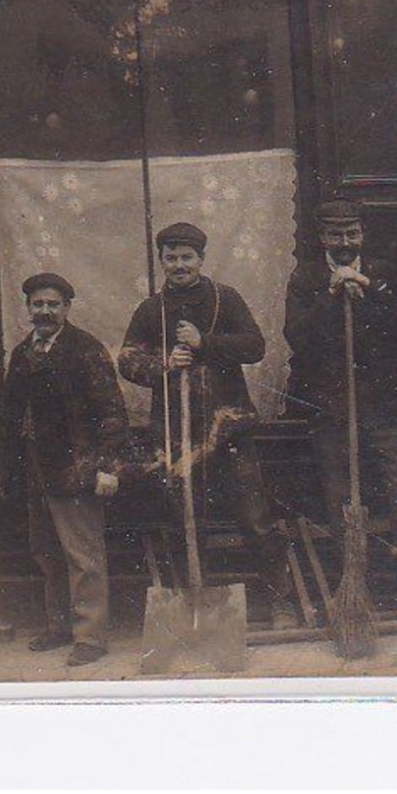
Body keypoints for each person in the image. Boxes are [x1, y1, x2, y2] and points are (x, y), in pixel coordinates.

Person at [119, 222, 296, 629]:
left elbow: (254, 346)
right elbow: (127, 360)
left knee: (255, 519)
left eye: (186, 257)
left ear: (201, 259)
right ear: (162, 261)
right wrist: (163, 364)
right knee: (183, 521)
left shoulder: (225, 299)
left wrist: (205, 343)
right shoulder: (151, 310)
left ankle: (279, 602)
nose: (179, 265)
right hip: (176, 436)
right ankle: (194, 611)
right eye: (171, 257)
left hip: (228, 428)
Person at [283, 198, 397, 614]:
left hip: (388, 406)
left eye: (351, 233)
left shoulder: (385, 273)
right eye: (336, 234)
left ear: (362, 234)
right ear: (322, 237)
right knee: (340, 496)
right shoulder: (305, 279)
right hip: (332, 407)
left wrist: (370, 293)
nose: (344, 241)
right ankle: (355, 583)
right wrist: (330, 295)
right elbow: (297, 338)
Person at [0, 273, 129, 667]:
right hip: (36, 466)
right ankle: (58, 627)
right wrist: (8, 469)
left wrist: (108, 467)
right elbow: (10, 415)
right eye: (38, 304)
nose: (45, 312)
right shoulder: (23, 353)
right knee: (45, 550)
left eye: (53, 304)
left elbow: (112, 411)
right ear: (28, 309)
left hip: (77, 466)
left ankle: (90, 636)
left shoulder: (84, 349)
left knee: (82, 553)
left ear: (67, 308)